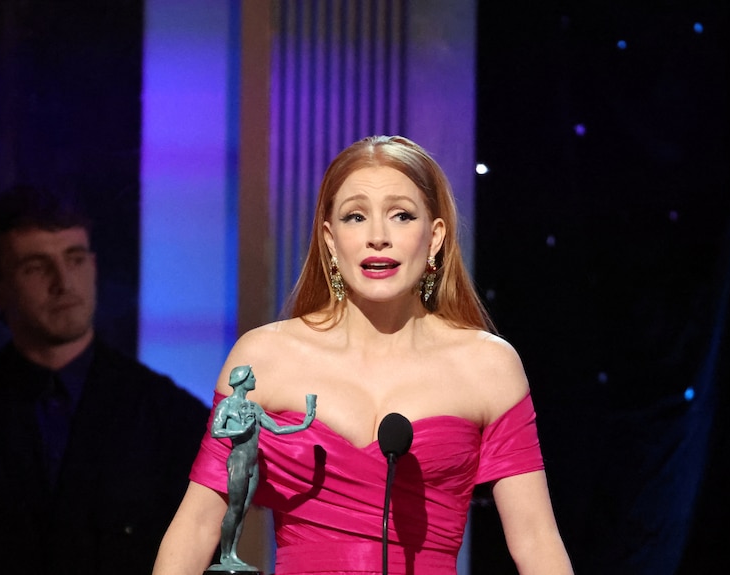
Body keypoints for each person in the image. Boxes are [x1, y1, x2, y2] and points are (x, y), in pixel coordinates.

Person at [153, 135, 574, 575]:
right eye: (356, 216)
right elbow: (199, 524)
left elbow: (536, 541)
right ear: (331, 241)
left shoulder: (488, 367)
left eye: (401, 216)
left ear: (434, 239)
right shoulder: (265, 357)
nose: (378, 237)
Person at [0, 185, 209, 575]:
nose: (63, 283)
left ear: (94, 267)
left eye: (75, 259)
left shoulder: (168, 416)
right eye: (35, 267)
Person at [207, 365, 316, 572]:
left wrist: (304, 423)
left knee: (244, 510)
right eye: (252, 376)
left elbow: (276, 428)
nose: (255, 379)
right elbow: (216, 430)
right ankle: (225, 555)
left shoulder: (254, 408)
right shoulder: (227, 406)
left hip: (252, 462)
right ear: (243, 380)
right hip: (238, 459)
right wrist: (240, 429)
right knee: (235, 508)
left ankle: (233, 555)